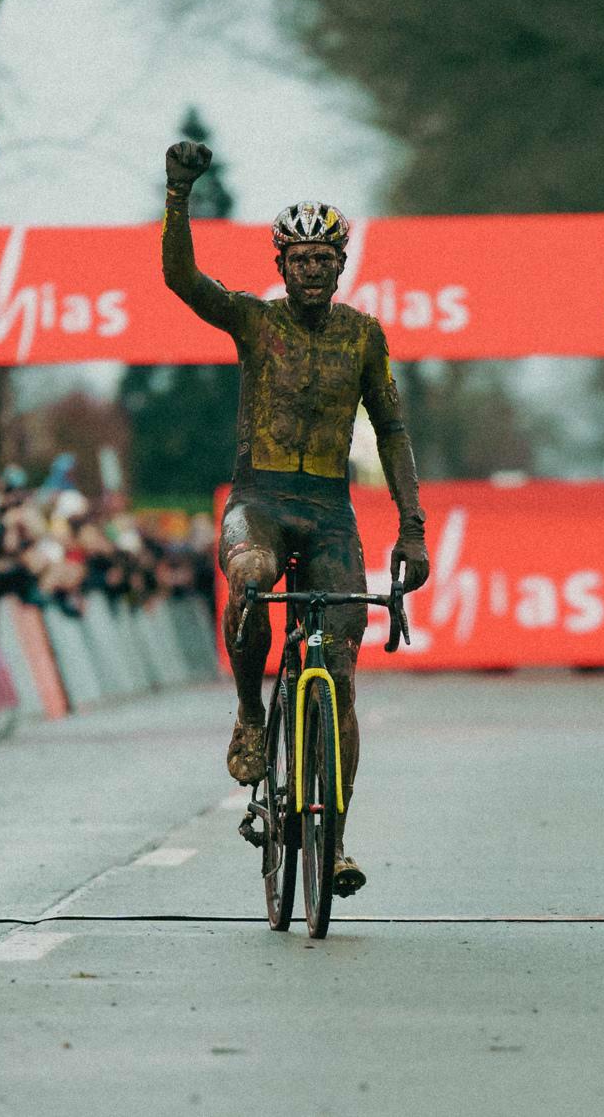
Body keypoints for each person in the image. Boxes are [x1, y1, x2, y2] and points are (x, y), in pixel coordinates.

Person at [160, 139, 430, 897]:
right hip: (261, 499)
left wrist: (412, 526)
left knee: (338, 672)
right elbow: (181, 278)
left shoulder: (363, 335)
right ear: (281, 264)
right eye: (299, 259)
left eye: (324, 258)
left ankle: (334, 843)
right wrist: (179, 192)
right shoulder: (254, 322)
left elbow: (392, 430)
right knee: (248, 578)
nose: (312, 270)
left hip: (330, 511)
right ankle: (250, 712)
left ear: (340, 264)